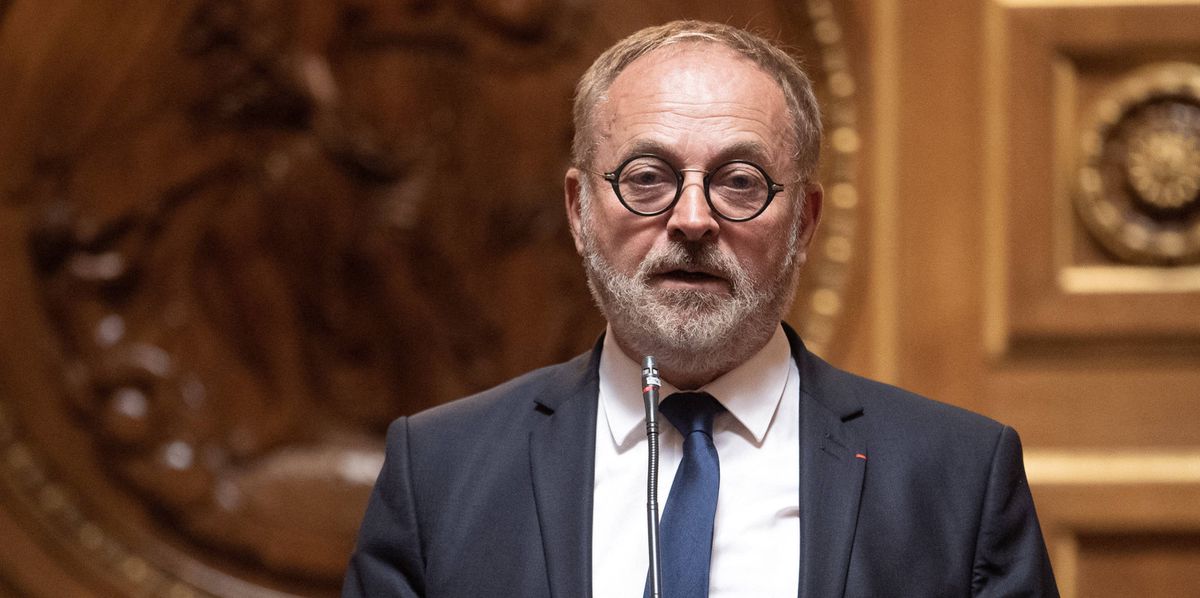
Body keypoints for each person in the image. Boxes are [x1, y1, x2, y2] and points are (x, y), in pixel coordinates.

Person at [343, 20, 1057, 598]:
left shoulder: (959, 476)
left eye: (739, 182)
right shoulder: (438, 471)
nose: (691, 218)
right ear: (579, 211)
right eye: (646, 177)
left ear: (804, 222)